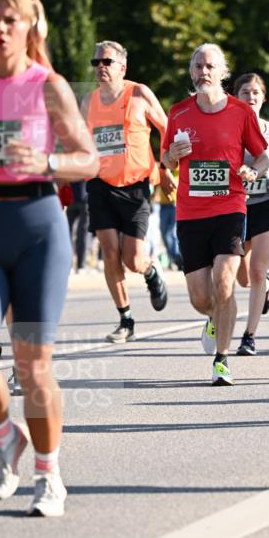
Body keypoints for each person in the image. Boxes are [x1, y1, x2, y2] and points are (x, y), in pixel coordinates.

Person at [0, 0, 98, 516]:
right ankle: (5, 436)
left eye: (10, 20)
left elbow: (89, 159)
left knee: (32, 366)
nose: (0, 29)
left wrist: (46, 163)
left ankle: (49, 474)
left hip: (37, 229)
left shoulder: (49, 86)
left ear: (30, 29)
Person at [162, 43, 269, 385]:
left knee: (225, 285)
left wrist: (255, 171)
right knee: (201, 298)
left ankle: (222, 360)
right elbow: (165, 160)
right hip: (191, 213)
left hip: (230, 208)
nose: (202, 73)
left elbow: (262, 156)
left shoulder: (241, 112)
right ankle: (213, 318)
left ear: (222, 73)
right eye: (197, 67)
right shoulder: (178, 112)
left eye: (209, 67)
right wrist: (171, 157)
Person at [81, 40, 169, 343]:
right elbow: (80, 143)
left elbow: (167, 129)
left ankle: (150, 272)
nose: (100, 68)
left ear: (122, 67)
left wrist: (166, 169)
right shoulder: (88, 102)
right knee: (109, 252)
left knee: (132, 259)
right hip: (100, 184)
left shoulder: (139, 93)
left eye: (106, 62)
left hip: (136, 184)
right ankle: (126, 318)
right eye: (96, 63)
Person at [233, 73, 269, 356]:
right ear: (236, 97)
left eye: (256, 91)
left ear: (263, 97)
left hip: (268, 204)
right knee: (243, 278)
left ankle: (249, 336)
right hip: (237, 206)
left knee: (257, 267)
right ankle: (268, 283)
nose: (251, 96)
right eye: (245, 92)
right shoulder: (228, 128)